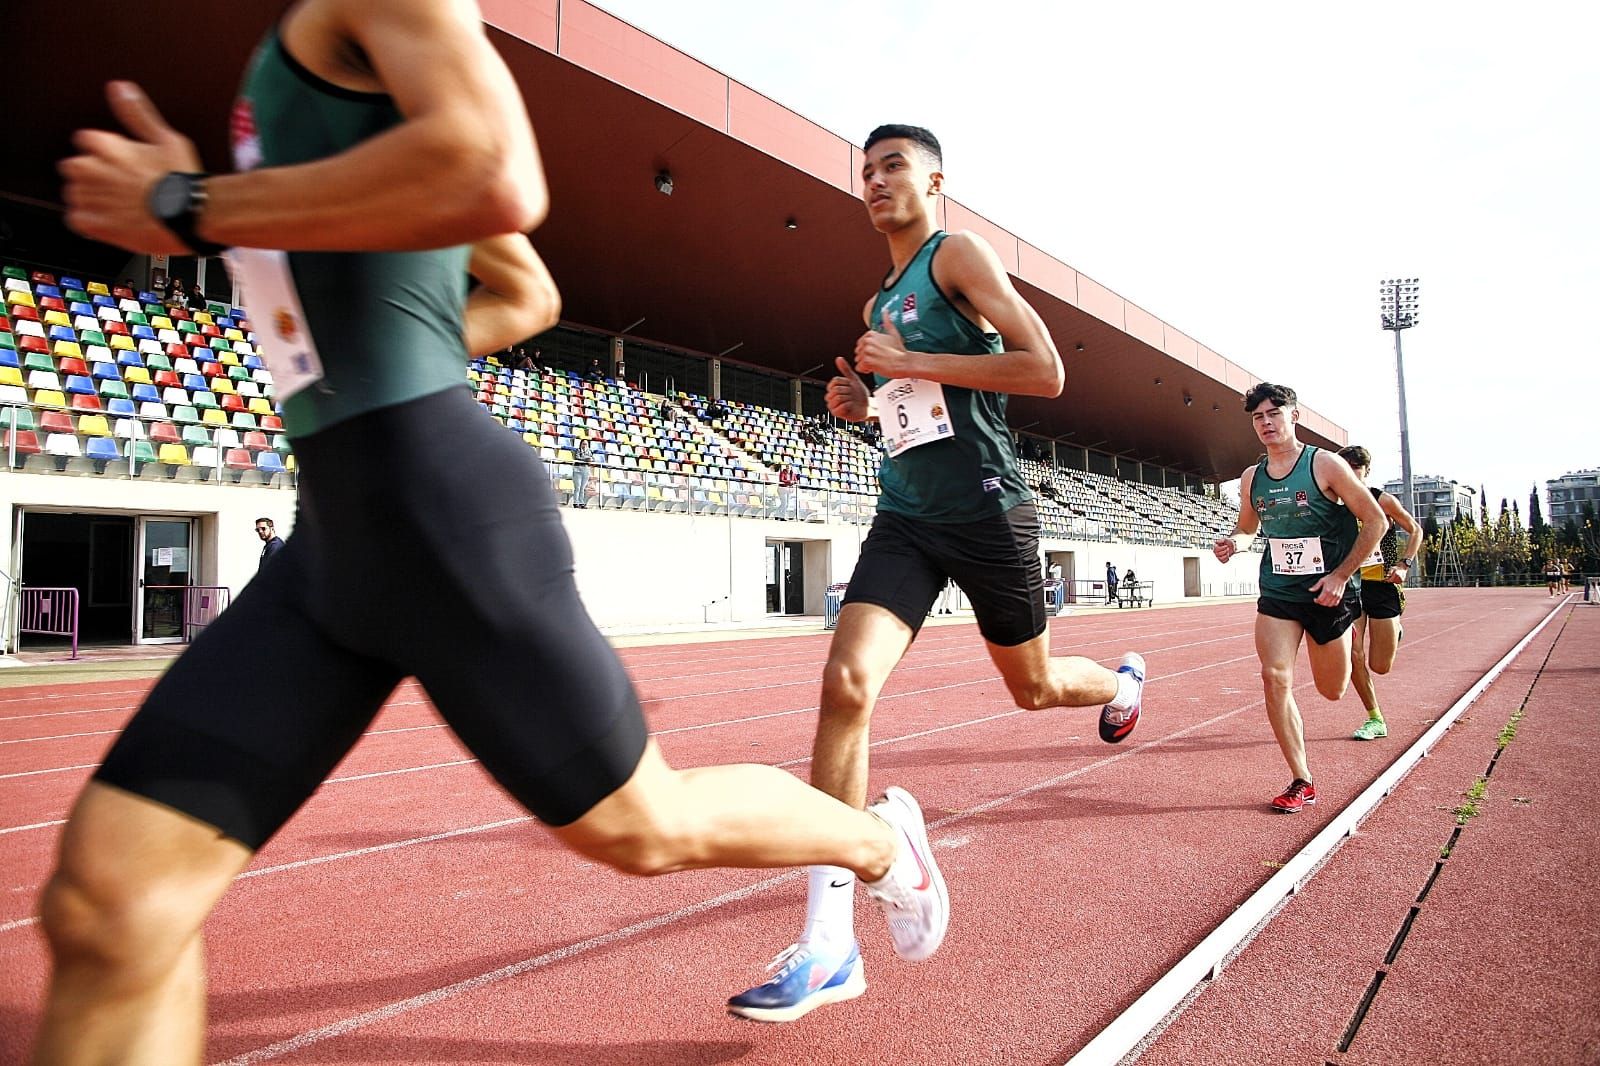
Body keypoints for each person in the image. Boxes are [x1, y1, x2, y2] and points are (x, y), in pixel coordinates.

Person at [39, 6, 949, 1060]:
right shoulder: (298, 63)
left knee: (640, 825)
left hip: (442, 511)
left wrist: (188, 202)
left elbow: (493, 173)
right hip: (333, 545)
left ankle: (879, 844)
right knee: (112, 904)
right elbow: (522, 289)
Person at [728, 123, 1145, 1022]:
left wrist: (909, 362)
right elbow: (919, 409)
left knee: (1033, 688)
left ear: (935, 182)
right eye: (866, 171)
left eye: (894, 167)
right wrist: (867, 404)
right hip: (907, 518)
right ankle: (832, 940)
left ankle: (1120, 683)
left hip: (989, 513)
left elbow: (1045, 369)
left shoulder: (958, 256)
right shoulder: (878, 301)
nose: (876, 181)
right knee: (845, 684)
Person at [1213, 384, 1385, 814]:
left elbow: (1375, 521)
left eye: (1274, 413)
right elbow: (1248, 528)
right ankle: (1301, 779)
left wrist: (1340, 576)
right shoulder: (1252, 477)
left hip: (1329, 594)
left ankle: (1344, 643)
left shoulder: (1324, 465)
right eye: (1258, 417)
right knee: (1274, 676)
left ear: (1294, 416)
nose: (1266, 423)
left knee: (1333, 689)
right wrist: (1235, 543)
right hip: (1279, 592)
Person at [1336, 446, 1423, 741]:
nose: (1350, 472)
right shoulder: (1334, 504)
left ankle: (1394, 630)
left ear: (1366, 471)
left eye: (1356, 467)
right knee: (1353, 653)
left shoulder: (1381, 499)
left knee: (1380, 666)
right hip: (1352, 586)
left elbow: (1415, 529)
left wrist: (1405, 564)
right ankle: (1375, 718)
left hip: (1383, 585)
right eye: (1344, 466)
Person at [572, 436, 594, 506]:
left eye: (586, 444)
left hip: (585, 470)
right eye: (583, 444)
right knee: (577, 487)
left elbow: (592, 459)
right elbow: (577, 458)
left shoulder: (589, 451)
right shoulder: (577, 450)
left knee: (583, 488)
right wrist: (586, 459)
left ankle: (581, 502)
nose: (585, 445)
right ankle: (576, 502)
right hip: (578, 470)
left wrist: (589, 459)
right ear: (581, 444)